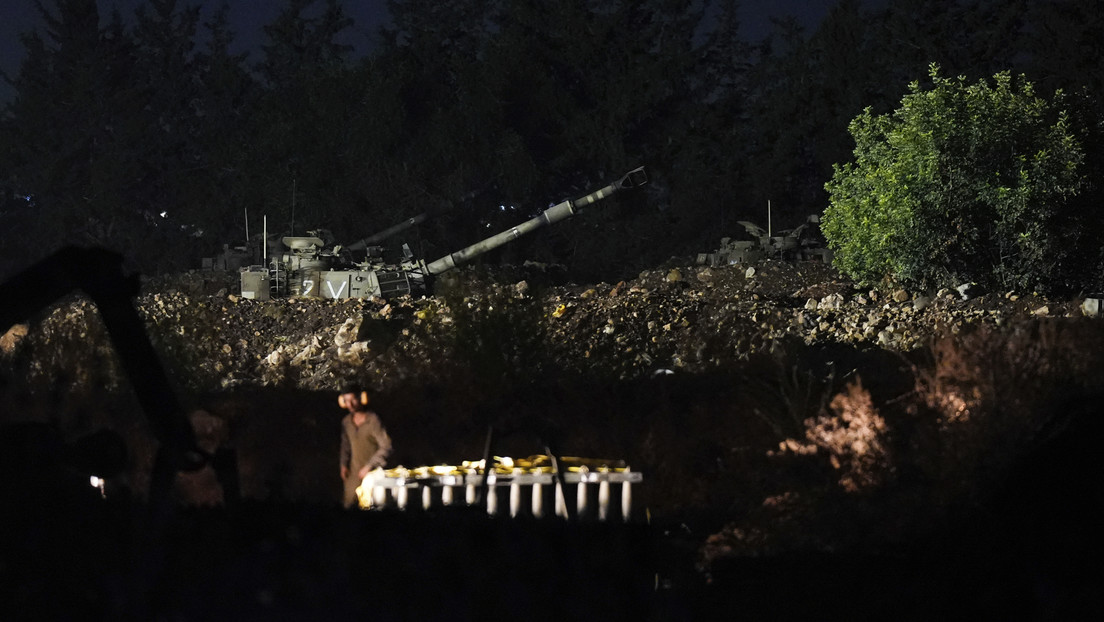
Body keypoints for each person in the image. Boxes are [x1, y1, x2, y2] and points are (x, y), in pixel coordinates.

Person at [338, 384, 392, 508]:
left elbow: (386, 446)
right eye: (346, 401)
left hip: (374, 474)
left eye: (353, 400)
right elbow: (345, 446)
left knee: (372, 506)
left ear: (362, 398)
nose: (350, 404)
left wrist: (369, 466)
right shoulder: (346, 422)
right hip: (353, 473)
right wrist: (343, 464)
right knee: (348, 505)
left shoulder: (373, 420)